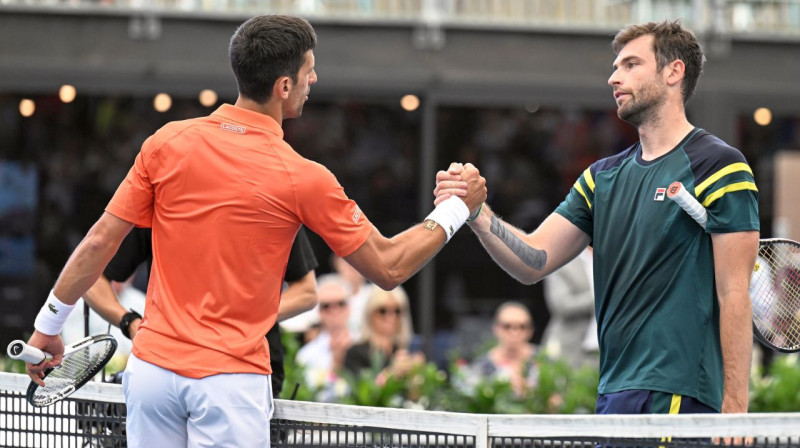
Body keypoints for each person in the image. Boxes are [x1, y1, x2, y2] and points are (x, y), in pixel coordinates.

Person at [23, 14, 485, 447]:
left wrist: (47, 327)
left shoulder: (166, 142)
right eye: (309, 71)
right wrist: (455, 211)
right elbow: (388, 266)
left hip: (152, 375)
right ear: (284, 86)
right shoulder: (303, 175)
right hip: (229, 383)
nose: (314, 80)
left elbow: (99, 241)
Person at [435, 20, 758, 415]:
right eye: (615, 66)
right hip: (612, 392)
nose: (613, 78)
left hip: (679, 393)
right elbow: (533, 260)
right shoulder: (600, 177)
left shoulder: (720, 165)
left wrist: (736, 405)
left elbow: (734, 293)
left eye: (630, 64)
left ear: (674, 72)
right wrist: (478, 214)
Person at [77, 226, 319, 395]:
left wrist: (243, 319)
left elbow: (307, 292)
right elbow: (89, 277)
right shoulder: (160, 197)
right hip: (167, 371)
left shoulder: (268, 198)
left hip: (247, 372)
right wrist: (130, 323)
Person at [342, 286, 424, 384]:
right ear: (370, 314)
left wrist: (416, 376)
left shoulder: (404, 350)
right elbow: (360, 393)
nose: (391, 317)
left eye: (397, 311)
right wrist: (392, 373)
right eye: (383, 311)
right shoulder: (355, 353)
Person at [295, 274, 354, 400]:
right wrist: (336, 362)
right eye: (326, 306)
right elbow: (309, 397)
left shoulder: (365, 343)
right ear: (319, 311)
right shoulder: (306, 355)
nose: (334, 310)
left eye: (340, 303)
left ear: (349, 307)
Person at [541, 246, 598, 369]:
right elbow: (562, 305)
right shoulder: (563, 261)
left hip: (610, 349)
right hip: (573, 349)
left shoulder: (617, 259)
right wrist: (603, 297)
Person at [468, 301, 538, 397]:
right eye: (507, 326)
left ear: (530, 330)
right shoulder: (482, 366)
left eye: (522, 327)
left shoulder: (545, 361)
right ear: (496, 329)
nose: (515, 332)